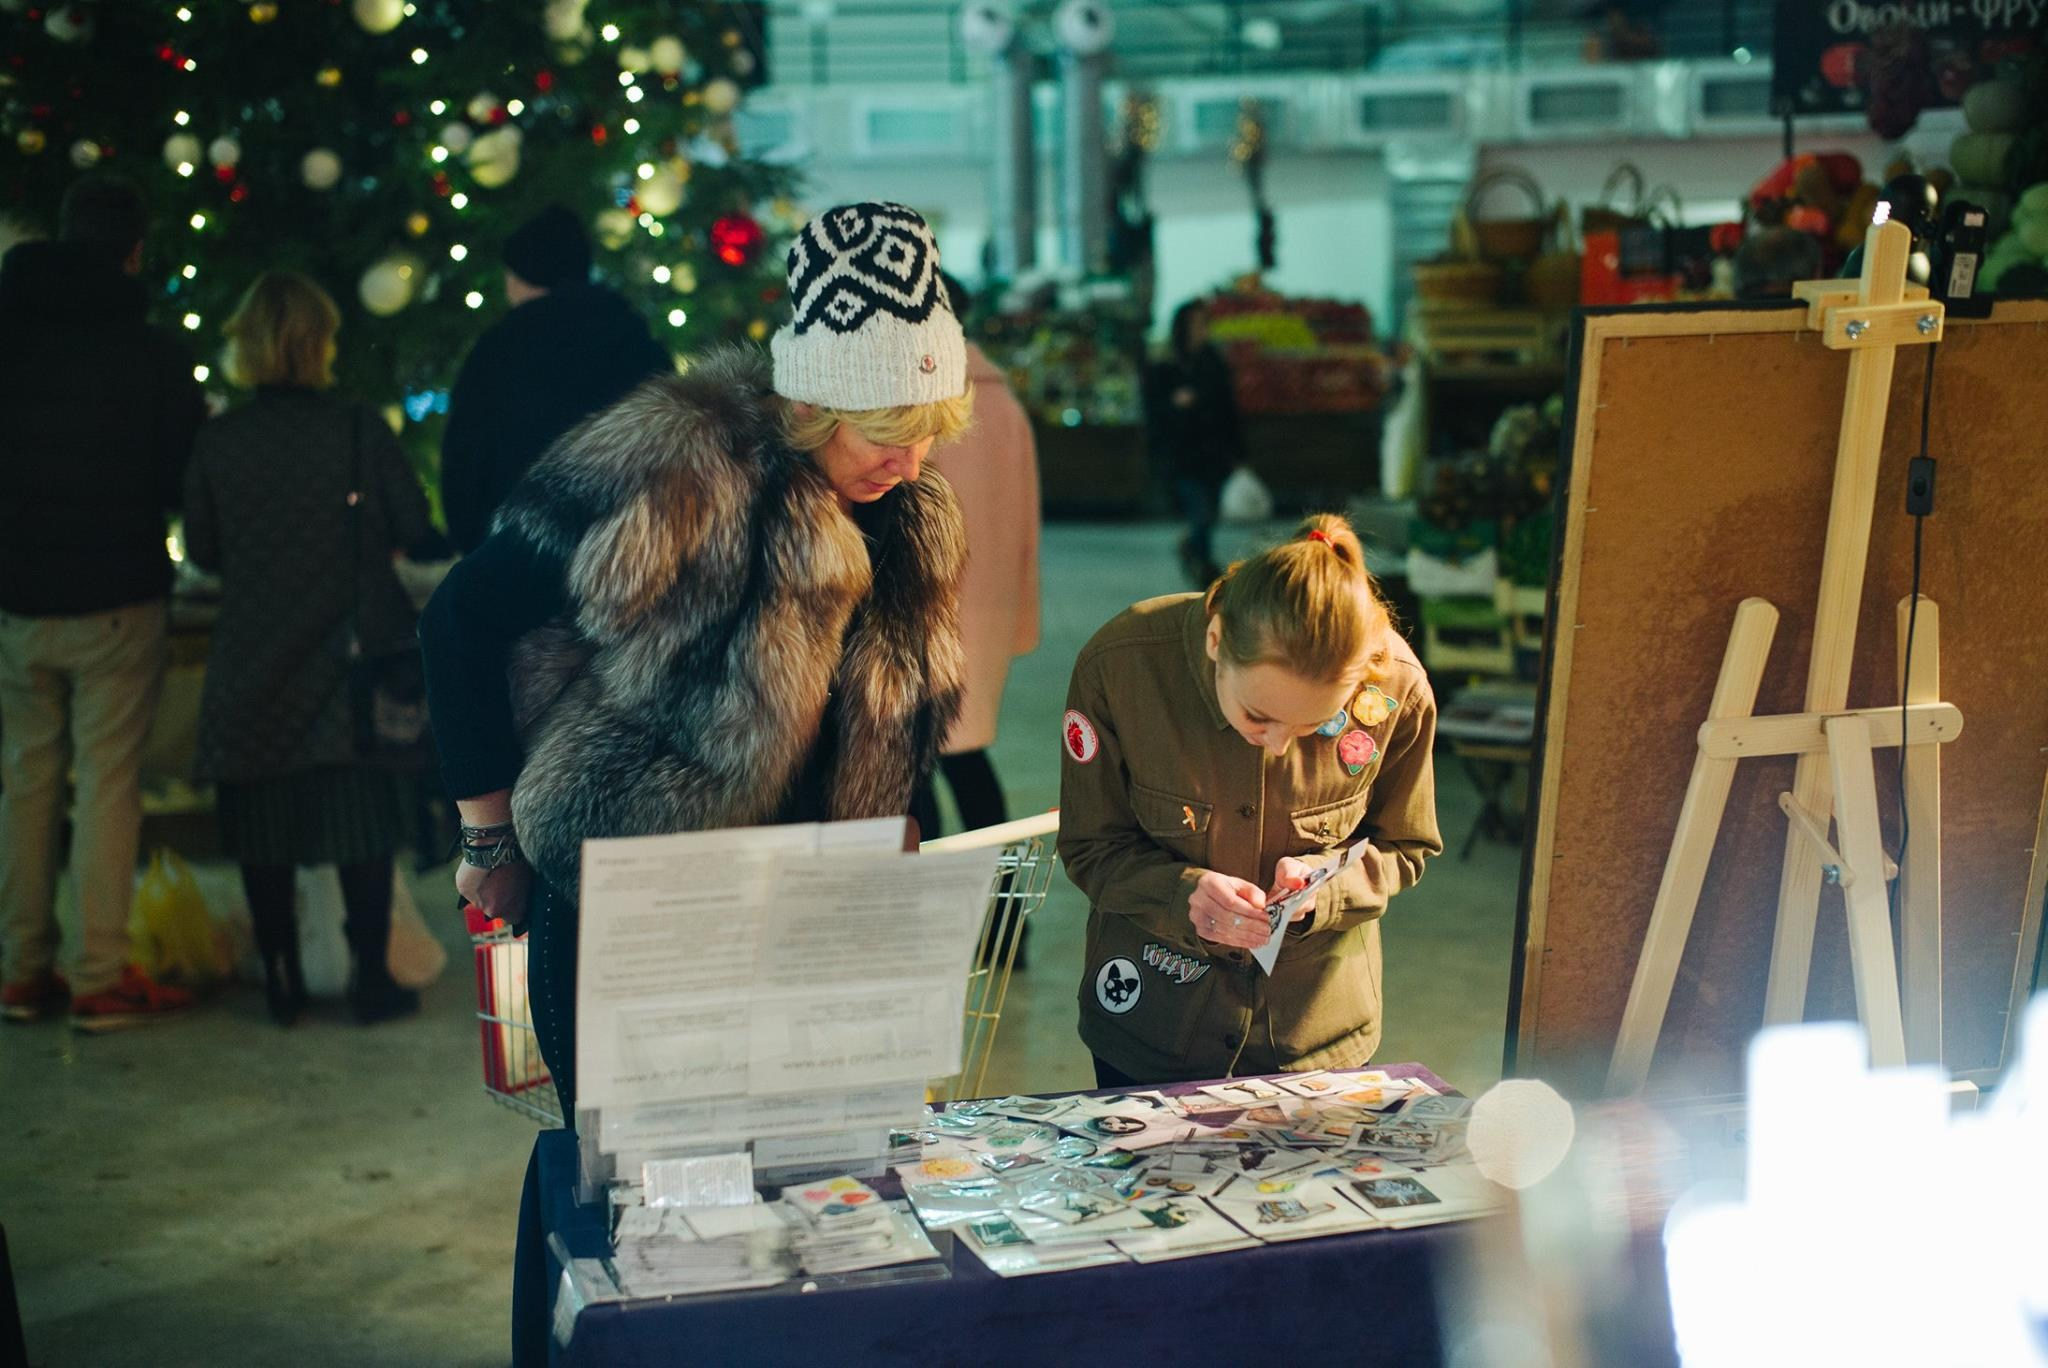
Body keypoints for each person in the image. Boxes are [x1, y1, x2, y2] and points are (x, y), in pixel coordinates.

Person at [419, 201, 971, 1368]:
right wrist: (486, 843)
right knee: (659, 1227)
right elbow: (461, 618)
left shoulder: (909, 509)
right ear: (812, 394)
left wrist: (892, 831)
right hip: (641, 909)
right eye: (885, 426)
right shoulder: (679, 459)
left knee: (816, 1222)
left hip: (811, 913)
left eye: (929, 425)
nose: (910, 459)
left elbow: (890, 709)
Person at [1058, 514, 1441, 1087]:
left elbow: (1406, 846)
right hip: (1152, 1023)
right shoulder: (1122, 668)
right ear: (1216, 641)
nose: (1278, 744)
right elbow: (1091, 845)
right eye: (1257, 716)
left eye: (1312, 726)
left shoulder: (1397, 691)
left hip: (1314, 1038)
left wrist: (1324, 889)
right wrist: (1179, 893)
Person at [182, 270, 433, 1027]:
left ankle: (283, 980)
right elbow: (414, 527)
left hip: (250, 660)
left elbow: (203, 548)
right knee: (359, 821)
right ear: (321, 343)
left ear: (247, 346)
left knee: (261, 825)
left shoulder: (219, 439)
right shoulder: (358, 429)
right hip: (345, 662)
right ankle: (369, 981)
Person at [0, 174, 207, 1032]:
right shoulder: (150, 350)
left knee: (24, 778)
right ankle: (95, 976)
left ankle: (18, 970)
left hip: (16, 592)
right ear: (134, 251)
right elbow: (181, 477)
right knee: (109, 782)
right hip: (118, 591)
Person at [437, 204, 671, 552]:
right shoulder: (632, 340)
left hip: (519, 549)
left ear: (521, 277)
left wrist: (473, 543)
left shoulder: (498, 351)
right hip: (622, 548)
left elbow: (465, 456)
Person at [909, 271, 1041, 845]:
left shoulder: (915, 400)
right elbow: (1027, 521)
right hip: (986, 606)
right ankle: (1011, 910)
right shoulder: (1001, 399)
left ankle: (934, 901)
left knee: (913, 766)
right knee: (963, 754)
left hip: (923, 606)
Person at [1143, 298, 1245, 590]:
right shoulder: (1165, 362)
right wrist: (1175, 405)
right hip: (1182, 450)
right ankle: (1203, 563)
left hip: (1213, 450)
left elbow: (1228, 406)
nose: (1203, 330)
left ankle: (1194, 550)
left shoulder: (1213, 361)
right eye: (1197, 324)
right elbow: (1154, 407)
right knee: (1199, 509)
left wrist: (1237, 449)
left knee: (1210, 510)